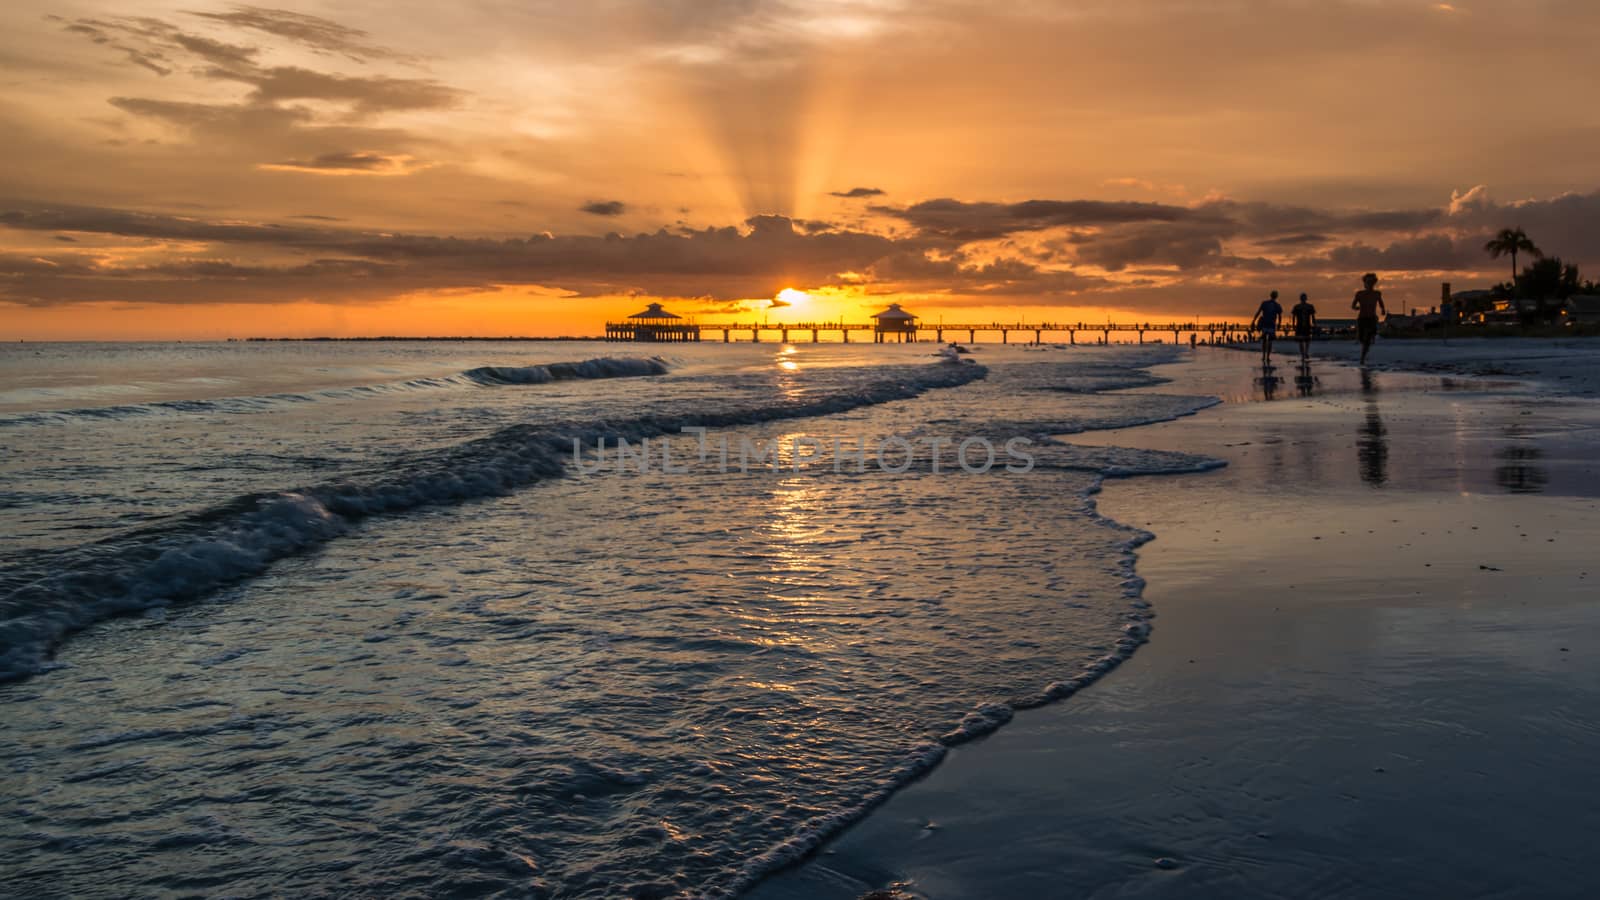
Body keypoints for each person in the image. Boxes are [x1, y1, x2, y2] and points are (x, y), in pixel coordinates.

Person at [1352, 273, 1387, 365]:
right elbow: (1353, 305)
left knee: (1367, 340)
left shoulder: (1377, 293)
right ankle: (1365, 343)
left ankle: (1362, 358)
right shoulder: (1359, 294)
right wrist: (1356, 308)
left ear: (1374, 283)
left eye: (1372, 282)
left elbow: (1381, 303)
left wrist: (1383, 309)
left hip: (1372, 318)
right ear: (1364, 283)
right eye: (1368, 282)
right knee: (1361, 339)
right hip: (1362, 318)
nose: (1370, 284)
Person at [1251, 290, 1284, 365]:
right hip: (1272, 325)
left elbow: (1258, 312)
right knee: (1270, 341)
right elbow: (1280, 316)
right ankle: (1268, 357)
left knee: (1264, 340)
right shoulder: (1277, 305)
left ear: (1270, 295)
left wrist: (1253, 320)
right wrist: (1279, 324)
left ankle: (1263, 355)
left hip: (1265, 324)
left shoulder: (1264, 303)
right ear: (1276, 296)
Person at [1290, 292, 1317, 362]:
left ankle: (1303, 354)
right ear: (1305, 298)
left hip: (1301, 326)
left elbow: (1293, 317)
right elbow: (1313, 317)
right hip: (1305, 325)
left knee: (1302, 341)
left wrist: (1293, 325)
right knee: (1306, 340)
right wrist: (1314, 324)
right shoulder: (1309, 306)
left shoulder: (1297, 306)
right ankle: (1305, 353)